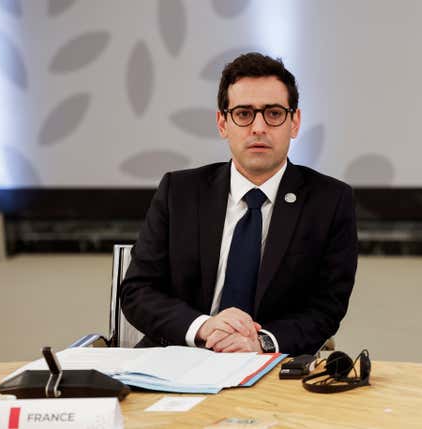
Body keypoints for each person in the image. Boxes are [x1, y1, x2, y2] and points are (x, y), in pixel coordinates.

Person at [120, 52, 358, 356]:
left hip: (270, 365)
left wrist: (261, 342)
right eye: (244, 114)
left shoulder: (330, 201)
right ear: (223, 123)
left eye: (273, 113)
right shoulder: (179, 192)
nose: (258, 127)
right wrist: (204, 327)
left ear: (294, 122)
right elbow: (137, 292)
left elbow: (326, 308)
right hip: (177, 358)